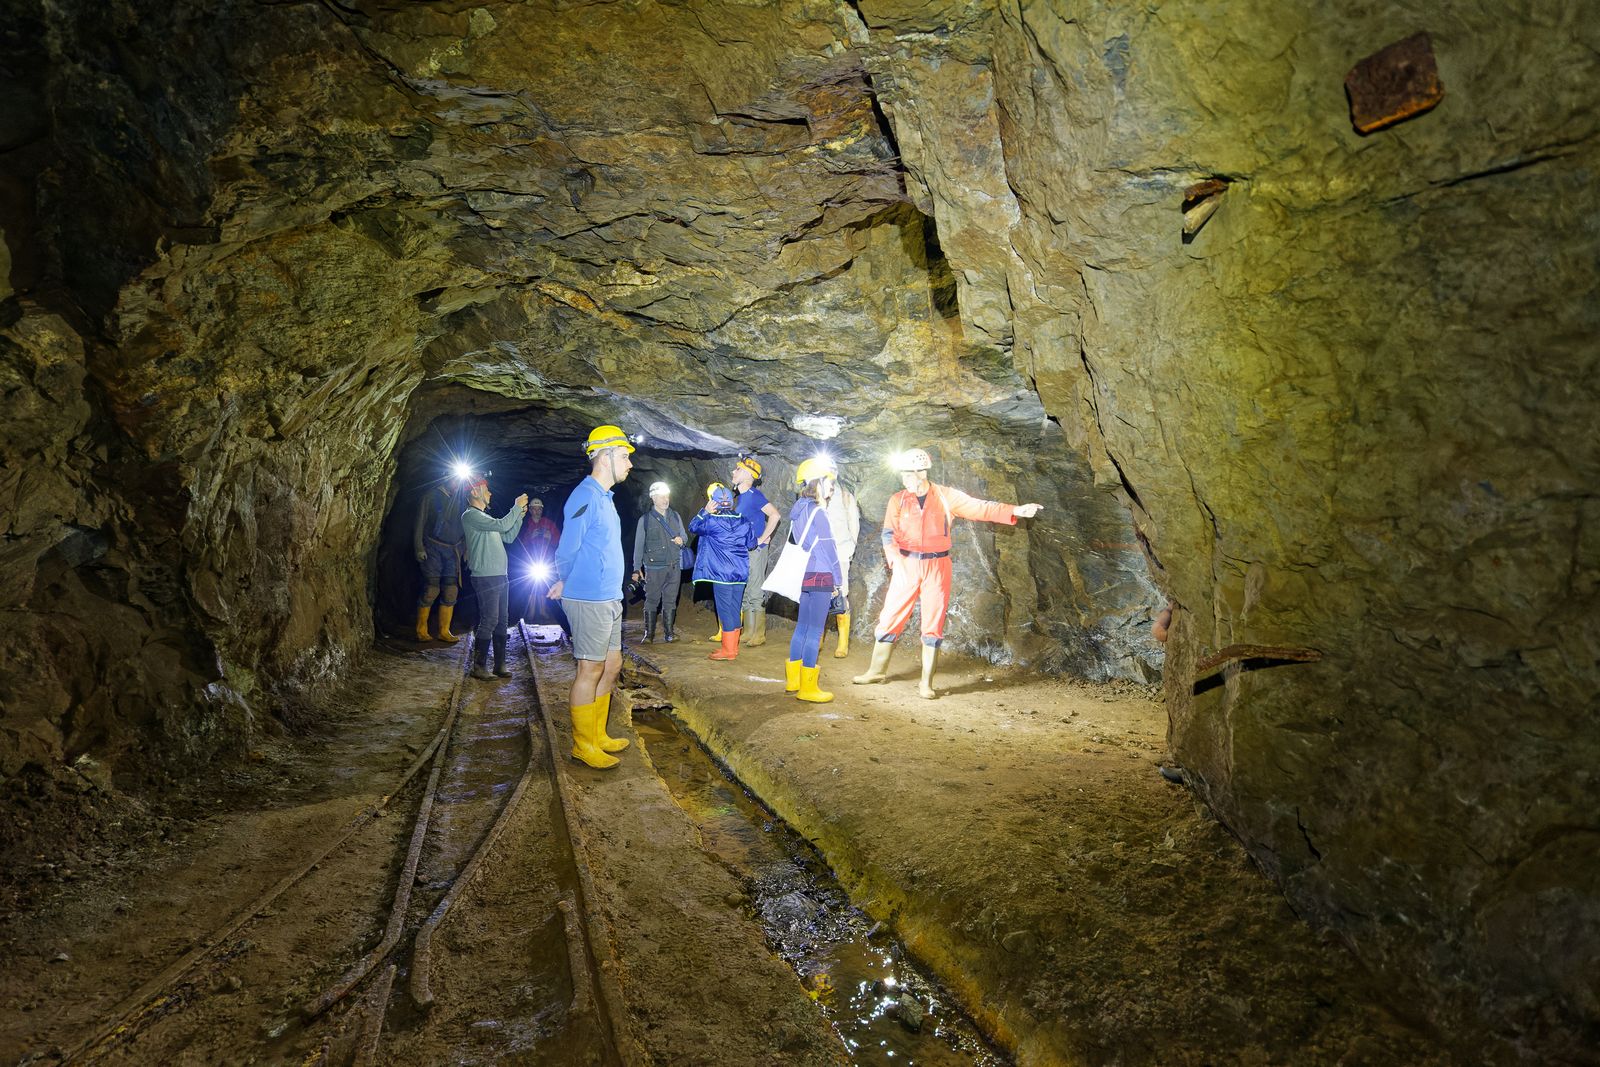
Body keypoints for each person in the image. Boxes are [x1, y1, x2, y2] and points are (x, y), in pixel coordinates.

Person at [853, 448, 1043, 698]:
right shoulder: (898, 500)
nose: (904, 480)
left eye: (908, 475)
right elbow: (889, 533)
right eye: (903, 475)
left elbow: (979, 507)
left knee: (933, 621)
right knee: (891, 616)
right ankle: (876, 671)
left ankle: (926, 683)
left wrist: (1015, 510)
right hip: (906, 563)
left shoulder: (945, 496)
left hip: (937, 566)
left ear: (921, 473)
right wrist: (895, 559)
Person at [549, 425, 635, 770]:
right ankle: (583, 745)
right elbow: (567, 548)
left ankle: (598, 735)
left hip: (609, 597)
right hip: (589, 597)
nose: (630, 463)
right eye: (625, 456)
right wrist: (563, 579)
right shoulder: (584, 495)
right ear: (604, 456)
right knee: (590, 668)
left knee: (612, 665)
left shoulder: (604, 498)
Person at [784, 457, 845, 703]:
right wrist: (838, 580)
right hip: (821, 574)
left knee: (802, 627)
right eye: (829, 482)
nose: (832, 488)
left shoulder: (798, 510)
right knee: (815, 630)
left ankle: (793, 681)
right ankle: (808, 688)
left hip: (804, 574)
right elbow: (829, 549)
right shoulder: (818, 512)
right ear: (817, 483)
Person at [460, 474, 528, 681]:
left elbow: (508, 535)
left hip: (500, 575)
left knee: (502, 621)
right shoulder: (471, 516)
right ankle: (479, 667)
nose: (490, 493)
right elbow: (502, 526)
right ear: (475, 492)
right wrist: (515, 508)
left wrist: (519, 517)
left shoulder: (486, 519)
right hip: (485, 576)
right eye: (486, 489)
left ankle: (499, 665)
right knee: (489, 619)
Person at [690, 483, 756, 661]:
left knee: (725, 610)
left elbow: (693, 527)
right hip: (740, 573)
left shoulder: (711, 521)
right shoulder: (743, 520)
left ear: (715, 502)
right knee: (734, 609)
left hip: (721, 574)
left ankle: (728, 650)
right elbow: (752, 544)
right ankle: (733, 649)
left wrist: (704, 511)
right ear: (731, 503)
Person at [725, 456, 782, 646]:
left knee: (755, 590)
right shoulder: (741, 497)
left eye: (738, 469)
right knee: (747, 590)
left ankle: (759, 633)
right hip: (743, 550)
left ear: (748, 475)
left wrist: (763, 538)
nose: (733, 472)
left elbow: (775, 515)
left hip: (755, 550)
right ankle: (748, 631)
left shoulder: (754, 494)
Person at [632, 481, 688, 642]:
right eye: (661, 496)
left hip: (674, 565)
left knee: (670, 600)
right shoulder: (645, 520)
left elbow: (684, 536)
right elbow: (638, 546)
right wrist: (636, 568)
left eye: (667, 496)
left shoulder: (675, 516)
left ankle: (669, 634)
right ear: (653, 498)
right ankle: (648, 635)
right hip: (654, 567)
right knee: (652, 600)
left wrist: (682, 540)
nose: (665, 500)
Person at [413, 480, 466, 642]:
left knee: (451, 590)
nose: (456, 485)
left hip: (453, 550)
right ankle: (421, 629)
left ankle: (444, 630)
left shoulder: (461, 499)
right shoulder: (431, 496)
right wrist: (419, 547)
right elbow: (420, 522)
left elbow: (466, 525)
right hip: (432, 548)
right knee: (431, 588)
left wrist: (466, 548)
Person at [823, 478, 860, 658]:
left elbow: (854, 524)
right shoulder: (816, 495)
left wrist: (850, 549)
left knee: (841, 593)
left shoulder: (845, 497)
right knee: (819, 593)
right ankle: (818, 637)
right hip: (820, 553)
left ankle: (843, 643)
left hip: (840, 552)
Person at [514, 497, 561, 621]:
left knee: (543, 584)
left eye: (539, 509)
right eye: (534, 509)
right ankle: (531, 611)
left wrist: (550, 537)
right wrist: (530, 537)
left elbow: (558, 540)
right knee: (531, 585)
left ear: (542, 510)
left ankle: (543, 611)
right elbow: (519, 544)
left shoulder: (548, 523)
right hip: (530, 560)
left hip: (545, 560)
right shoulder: (525, 524)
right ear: (530, 510)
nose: (537, 511)